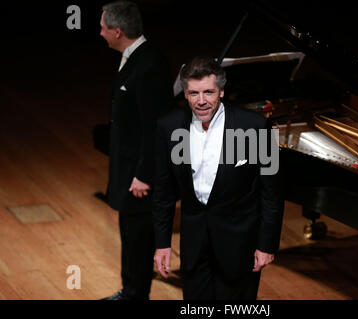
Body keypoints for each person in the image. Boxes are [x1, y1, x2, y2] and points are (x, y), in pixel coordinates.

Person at [152, 56, 284, 299]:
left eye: (208, 92)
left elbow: (272, 193)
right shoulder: (168, 127)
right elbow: (163, 193)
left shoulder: (255, 127)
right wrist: (162, 243)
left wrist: (266, 245)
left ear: (222, 91)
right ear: (185, 94)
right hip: (194, 244)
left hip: (239, 245)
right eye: (193, 93)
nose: (201, 101)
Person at [99, 1, 173, 300]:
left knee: (138, 236)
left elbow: (155, 127)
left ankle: (134, 294)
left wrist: (144, 174)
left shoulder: (149, 65)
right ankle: (130, 290)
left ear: (117, 31)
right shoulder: (135, 58)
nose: (100, 32)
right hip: (129, 166)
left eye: (103, 27)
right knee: (130, 232)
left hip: (140, 174)